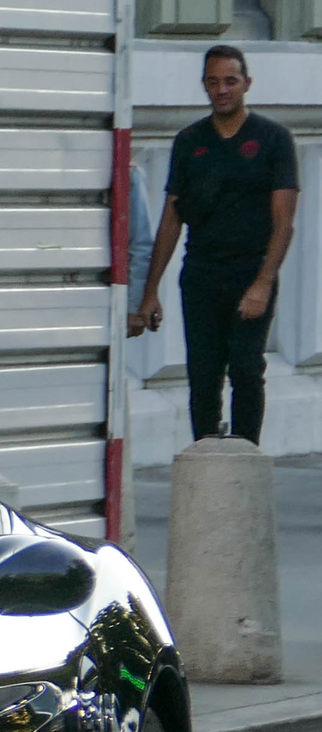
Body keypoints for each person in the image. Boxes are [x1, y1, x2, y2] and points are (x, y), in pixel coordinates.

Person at [137, 44, 300, 443]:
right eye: (213, 81)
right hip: (202, 274)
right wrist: (150, 290)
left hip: (250, 272)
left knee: (246, 369)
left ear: (247, 84)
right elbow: (171, 218)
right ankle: (205, 455)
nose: (222, 89)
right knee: (203, 374)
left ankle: (245, 454)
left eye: (230, 81)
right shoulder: (190, 141)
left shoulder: (273, 139)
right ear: (204, 86)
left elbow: (284, 223)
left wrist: (263, 283)